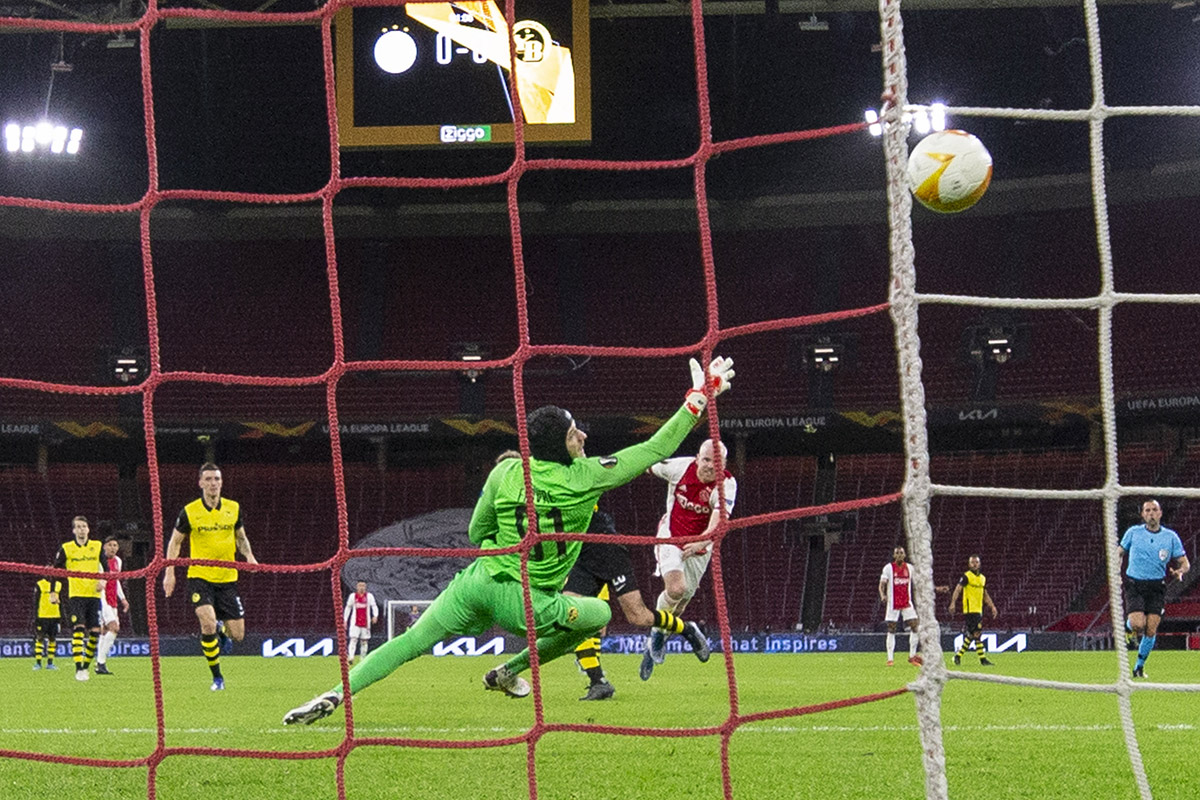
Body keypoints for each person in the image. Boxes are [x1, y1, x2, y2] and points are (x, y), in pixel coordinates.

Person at [283, 355, 734, 725]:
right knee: (597, 616)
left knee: (410, 642)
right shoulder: (587, 477)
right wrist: (699, 398)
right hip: (527, 602)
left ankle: (336, 694)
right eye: (575, 432)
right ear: (562, 444)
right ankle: (509, 670)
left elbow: (477, 533)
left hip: (477, 583)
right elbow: (656, 448)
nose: (583, 435)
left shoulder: (506, 471)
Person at [563, 504, 709, 700]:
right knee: (573, 617)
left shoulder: (575, 490)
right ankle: (598, 682)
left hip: (607, 550)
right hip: (582, 556)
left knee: (639, 617)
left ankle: (686, 629)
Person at [640, 437, 736, 681]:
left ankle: (667, 633)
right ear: (697, 458)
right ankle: (657, 636)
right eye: (706, 460)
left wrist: (701, 542)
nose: (710, 466)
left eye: (717, 462)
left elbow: (719, 520)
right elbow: (645, 463)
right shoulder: (679, 468)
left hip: (701, 547)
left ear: (724, 464)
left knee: (681, 603)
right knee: (676, 588)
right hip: (671, 535)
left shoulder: (727, 484)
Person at [163, 462, 259, 691]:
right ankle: (217, 677)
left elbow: (241, 538)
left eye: (216, 479)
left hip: (227, 578)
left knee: (238, 635)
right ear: (200, 483)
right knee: (206, 623)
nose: (213, 483)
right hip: (200, 576)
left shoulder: (233, 508)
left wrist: (249, 556)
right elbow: (175, 542)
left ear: (221, 482)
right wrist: (169, 572)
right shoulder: (190, 511)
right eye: (208, 479)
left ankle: (221, 629)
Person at [1121, 498, 1189, 679]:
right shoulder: (1133, 533)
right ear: (1143, 515)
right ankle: (1128, 628)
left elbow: (1185, 563)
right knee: (1138, 624)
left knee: (1151, 629)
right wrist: (1115, 569)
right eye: (1147, 510)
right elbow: (1119, 552)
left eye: (1154, 510)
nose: (1151, 513)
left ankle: (1138, 667)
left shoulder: (1170, 537)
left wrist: (1180, 571)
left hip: (1157, 586)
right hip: (1135, 583)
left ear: (1160, 513)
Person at [54, 516, 107, 681]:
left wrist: (103, 580)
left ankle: (85, 666)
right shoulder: (67, 548)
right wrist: (54, 591)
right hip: (76, 595)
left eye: (84, 526)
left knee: (95, 633)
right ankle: (78, 669)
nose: (81, 529)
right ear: (74, 530)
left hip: (94, 596)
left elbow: (106, 568)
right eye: (78, 527)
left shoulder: (97, 546)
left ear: (88, 529)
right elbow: (55, 571)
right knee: (79, 629)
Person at [947, 554, 998, 666]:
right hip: (970, 609)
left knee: (972, 635)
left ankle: (958, 656)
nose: (974, 564)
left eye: (976, 562)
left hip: (979, 609)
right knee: (977, 633)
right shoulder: (966, 576)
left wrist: (992, 606)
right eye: (972, 562)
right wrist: (953, 603)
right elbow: (958, 589)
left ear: (979, 564)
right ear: (969, 564)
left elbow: (985, 594)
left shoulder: (982, 578)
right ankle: (982, 659)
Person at [879, 545, 922, 667]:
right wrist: (882, 595)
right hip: (893, 603)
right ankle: (890, 659)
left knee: (915, 626)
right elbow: (882, 584)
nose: (899, 555)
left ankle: (912, 656)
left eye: (901, 553)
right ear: (894, 555)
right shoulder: (888, 568)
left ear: (904, 555)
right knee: (891, 629)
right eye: (897, 553)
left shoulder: (909, 568)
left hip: (906, 602)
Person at [95, 536, 130, 675]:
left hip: (112, 600)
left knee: (104, 631)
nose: (113, 548)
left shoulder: (118, 561)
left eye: (115, 545)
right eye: (110, 545)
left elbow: (116, 581)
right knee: (114, 628)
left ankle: (99, 664)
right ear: (104, 547)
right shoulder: (99, 561)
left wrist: (123, 598)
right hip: (102, 598)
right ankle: (101, 662)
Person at [32, 568, 64, 671]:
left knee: (52, 639)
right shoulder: (40, 584)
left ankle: (50, 663)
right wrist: (35, 617)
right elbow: (36, 602)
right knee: (40, 638)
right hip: (42, 616)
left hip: (55, 616)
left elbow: (61, 602)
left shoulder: (58, 585)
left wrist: (61, 618)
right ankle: (38, 663)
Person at [343, 580, 380, 664]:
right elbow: (348, 608)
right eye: (360, 586)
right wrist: (345, 620)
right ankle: (351, 657)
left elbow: (374, 606)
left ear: (365, 587)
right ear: (357, 587)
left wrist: (375, 615)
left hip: (366, 622)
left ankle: (362, 659)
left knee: (364, 641)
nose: (361, 587)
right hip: (355, 622)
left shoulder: (369, 596)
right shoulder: (352, 596)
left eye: (363, 586)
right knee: (353, 639)